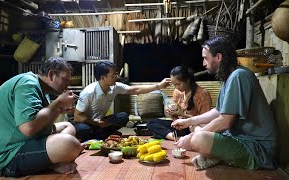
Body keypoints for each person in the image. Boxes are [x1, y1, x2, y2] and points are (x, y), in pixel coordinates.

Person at [172, 36, 277, 171]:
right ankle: (217, 156)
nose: (204, 63)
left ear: (219, 57)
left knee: (198, 138)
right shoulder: (230, 78)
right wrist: (189, 121)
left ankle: (217, 156)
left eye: (206, 58)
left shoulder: (239, 76)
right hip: (240, 138)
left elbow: (225, 121)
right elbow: (218, 110)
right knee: (196, 128)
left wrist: (190, 138)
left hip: (258, 149)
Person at [0, 57, 84, 177]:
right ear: (51, 75)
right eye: (65, 80)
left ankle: (53, 161)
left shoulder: (42, 90)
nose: (68, 84)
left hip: (22, 142)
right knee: (70, 144)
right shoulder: (28, 84)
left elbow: (41, 124)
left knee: (67, 126)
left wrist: (58, 110)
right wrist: (57, 103)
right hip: (4, 157)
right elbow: (28, 128)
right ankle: (52, 163)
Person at [73, 61, 171, 141]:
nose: (117, 76)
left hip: (101, 122)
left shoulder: (114, 87)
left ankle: (100, 134)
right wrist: (95, 122)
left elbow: (135, 90)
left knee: (123, 116)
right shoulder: (89, 92)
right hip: (88, 122)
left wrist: (159, 86)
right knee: (83, 130)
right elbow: (77, 116)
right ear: (103, 78)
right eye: (113, 75)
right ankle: (100, 134)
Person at [147, 65, 212, 141]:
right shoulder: (177, 92)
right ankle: (175, 137)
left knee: (196, 130)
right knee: (151, 123)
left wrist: (182, 114)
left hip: (194, 127)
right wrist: (172, 113)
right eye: (174, 85)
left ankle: (172, 136)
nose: (176, 87)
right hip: (180, 126)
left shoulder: (202, 94)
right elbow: (176, 119)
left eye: (178, 84)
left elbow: (204, 121)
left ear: (187, 80)